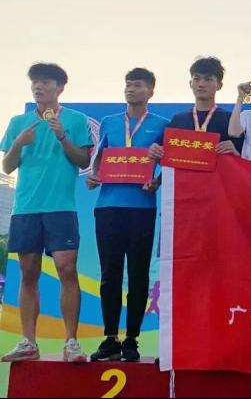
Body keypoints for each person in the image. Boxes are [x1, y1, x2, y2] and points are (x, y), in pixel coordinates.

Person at [0, 63, 93, 363]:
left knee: (67, 270)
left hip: (61, 209)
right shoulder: (19, 122)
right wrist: (18, 143)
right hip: (26, 208)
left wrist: (63, 136)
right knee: (28, 272)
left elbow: (83, 161)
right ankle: (29, 342)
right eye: (35, 83)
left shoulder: (76, 120)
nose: (38, 87)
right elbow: (7, 167)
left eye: (45, 82)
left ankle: (71, 342)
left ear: (60, 88)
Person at [87, 68, 169, 362]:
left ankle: (132, 338)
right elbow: (99, 159)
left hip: (142, 208)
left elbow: (169, 163)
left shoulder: (162, 125)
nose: (131, 89)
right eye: (128, 85)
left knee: (138, 274)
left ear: (151, 91)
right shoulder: (110, 122)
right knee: (109, 274)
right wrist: (94, 176)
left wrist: (156, 181)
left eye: (138, 85)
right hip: (108, 207)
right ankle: (110, 338)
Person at [149, 56, 242, 161]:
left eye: (208, 79)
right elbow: (162, 154)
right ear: (190, 84)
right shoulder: (178, 120)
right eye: (196, 79)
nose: (201, 84)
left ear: (219, 85)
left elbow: (245, 158)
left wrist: (235, 152)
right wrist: (155, 151)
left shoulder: (231, 120)